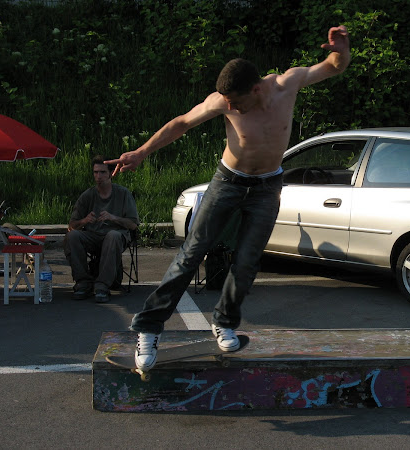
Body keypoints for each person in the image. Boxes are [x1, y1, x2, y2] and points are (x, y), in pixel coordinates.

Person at [106, 25, 350, 371]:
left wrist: (340, 49)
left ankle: (224, 322)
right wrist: (143, 152)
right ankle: (148, 328)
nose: (230, 108)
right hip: (228, 182)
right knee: (191, 254)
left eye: (236, 102)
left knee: (248, 261)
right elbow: (181, 123)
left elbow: (333, 66)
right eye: (227, 103)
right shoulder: (223, 101)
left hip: (267, 188)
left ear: (256, 88)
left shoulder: (289, 83)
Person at [64, 155, 139, 303]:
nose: (98, 176)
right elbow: (71, 226)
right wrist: (84, 220)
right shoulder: (87, 196)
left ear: (111, 173)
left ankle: (102, 286)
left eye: (102, 172)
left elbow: (133, 224)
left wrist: (113, 218)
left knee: (113, 235)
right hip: (93, 236)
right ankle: (83, 282)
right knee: (72, 236)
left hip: (116, 237)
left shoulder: (123, 194)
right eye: (96, 172)